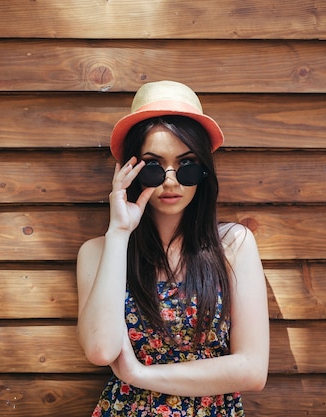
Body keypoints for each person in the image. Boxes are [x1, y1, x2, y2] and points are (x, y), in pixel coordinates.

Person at [76, 80, 269, 416]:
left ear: (204, 171)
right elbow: (99, 349)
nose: (170, 180)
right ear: (131, 171)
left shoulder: (234, 244)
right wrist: (120, 231)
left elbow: (252, 370)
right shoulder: (100, 251)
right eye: (153, 165)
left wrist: (141, 375)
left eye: (187, 165)